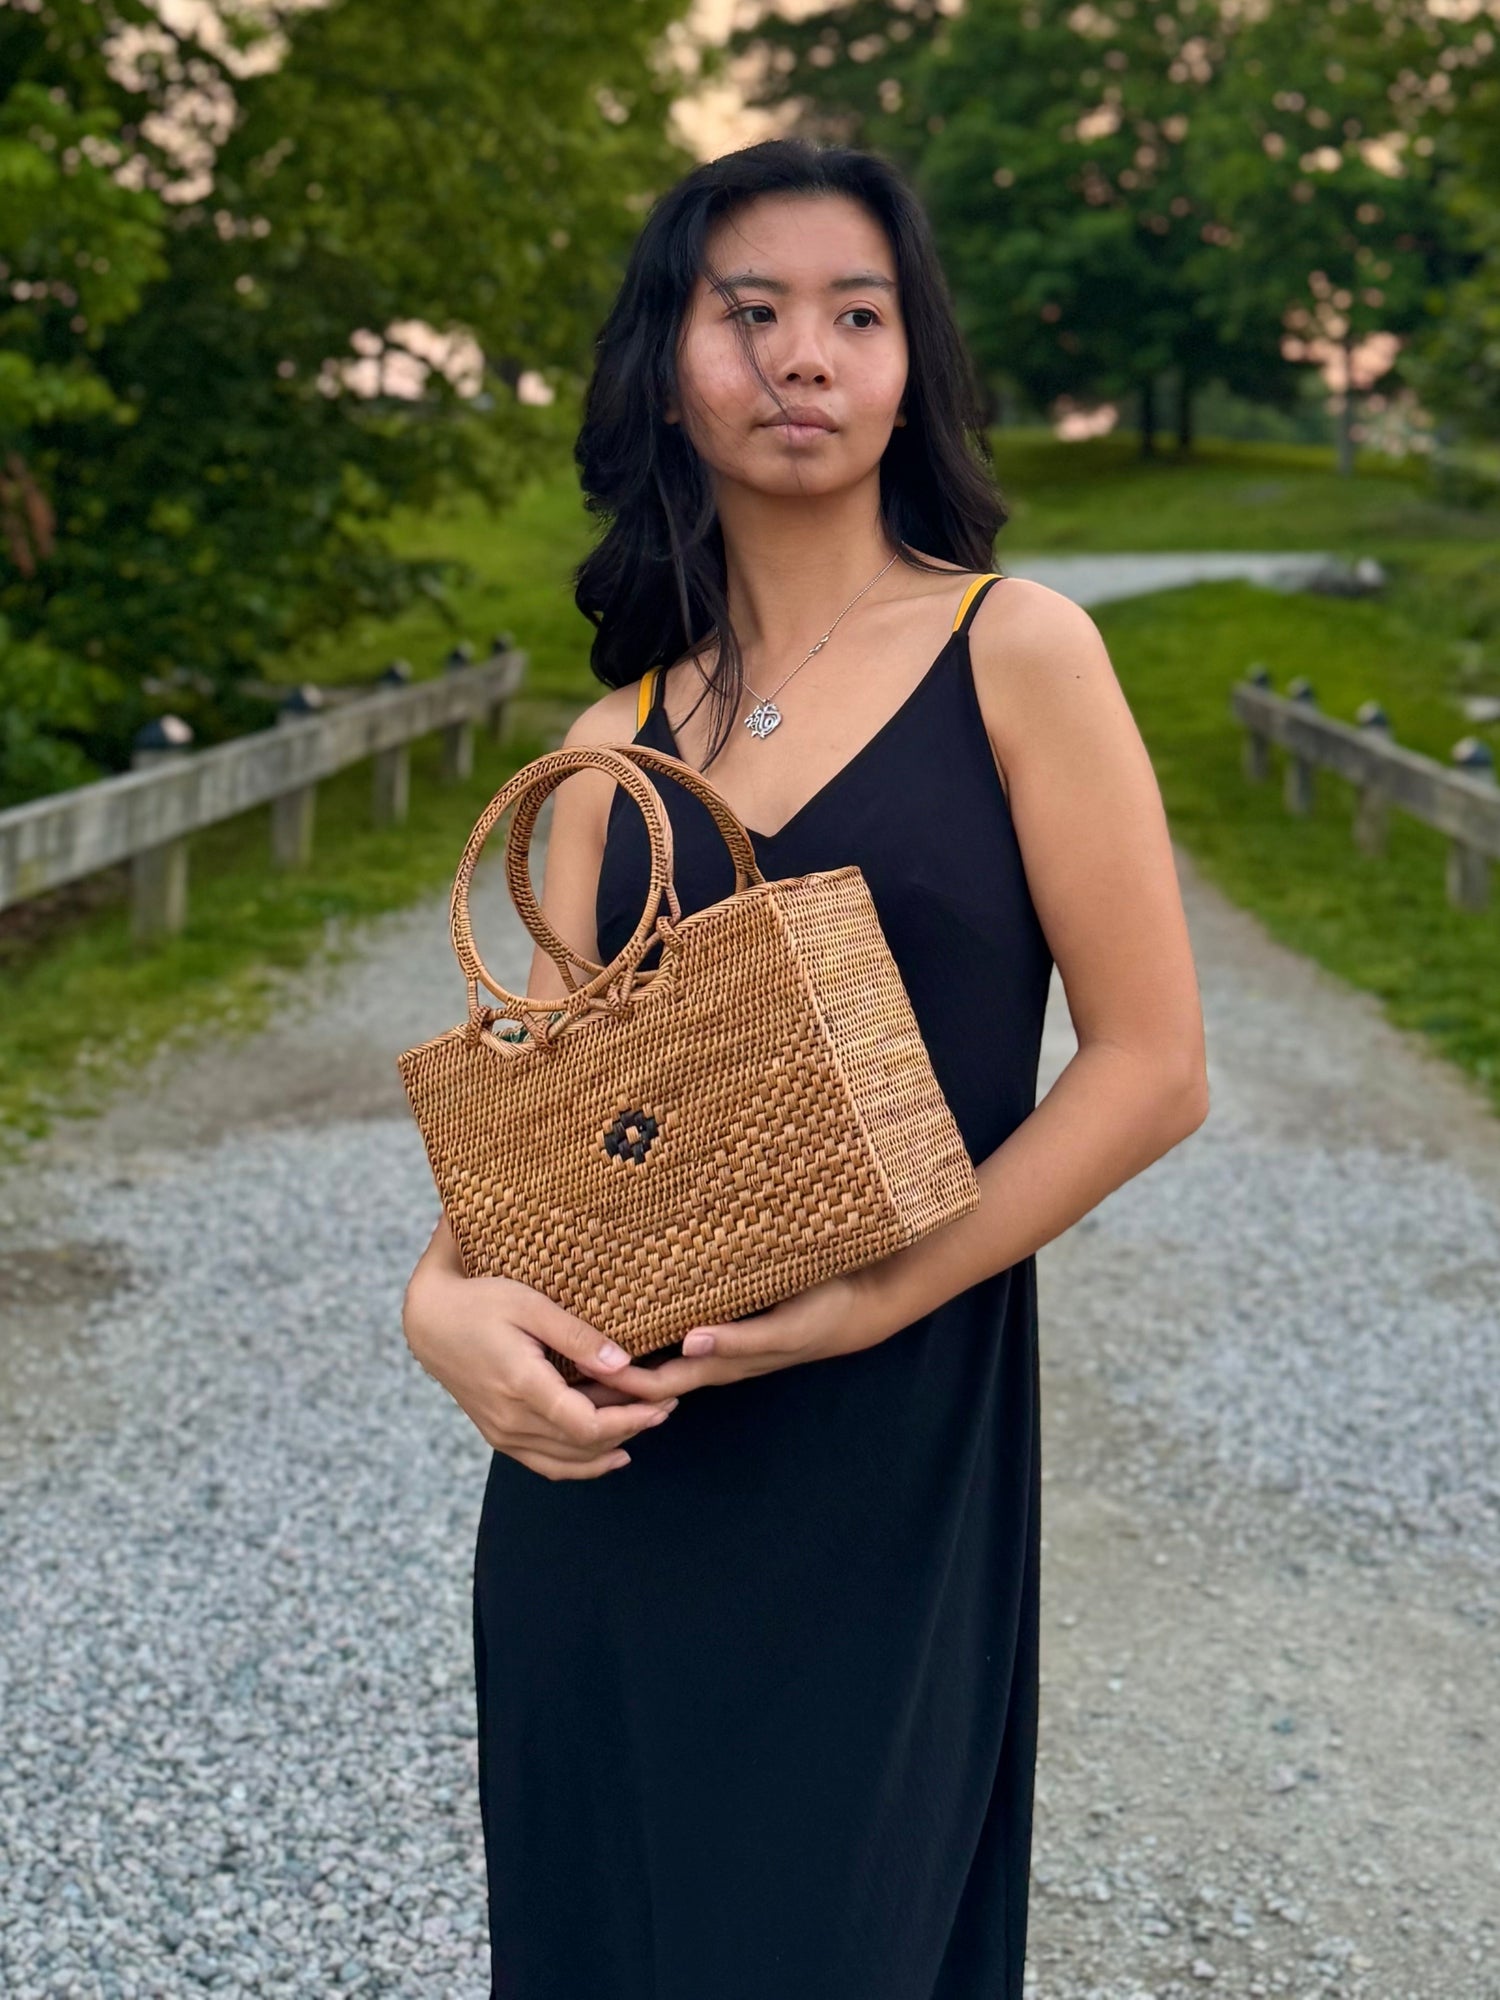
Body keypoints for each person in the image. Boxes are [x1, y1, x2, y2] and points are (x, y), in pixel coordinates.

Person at [401, 136, 1209, 2000]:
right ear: (666, 364)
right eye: (747, 312)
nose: (802, 358)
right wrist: (435, 1313)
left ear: (912, 363)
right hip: (617, 1479)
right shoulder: (611, 743)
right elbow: (539, 1152)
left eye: (857, 314)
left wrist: (873, 1302)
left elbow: (1154, 1065)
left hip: (890, 1451)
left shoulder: (1016, 649)